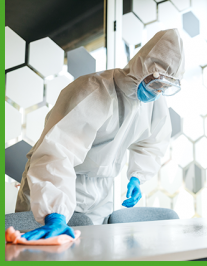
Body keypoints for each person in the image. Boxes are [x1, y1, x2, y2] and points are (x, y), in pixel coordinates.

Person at [15, 28, 185, 240]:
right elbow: (58, 152)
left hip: (100, 194)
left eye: (165, 86)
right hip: (54, 186)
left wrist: (137, 176)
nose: (157, 90)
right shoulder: (94, 89)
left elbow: (152, 143)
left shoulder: (152, 105)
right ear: (143, 67)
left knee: (93, 253)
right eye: (156, 81)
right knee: (39, 253)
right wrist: (54, 213)